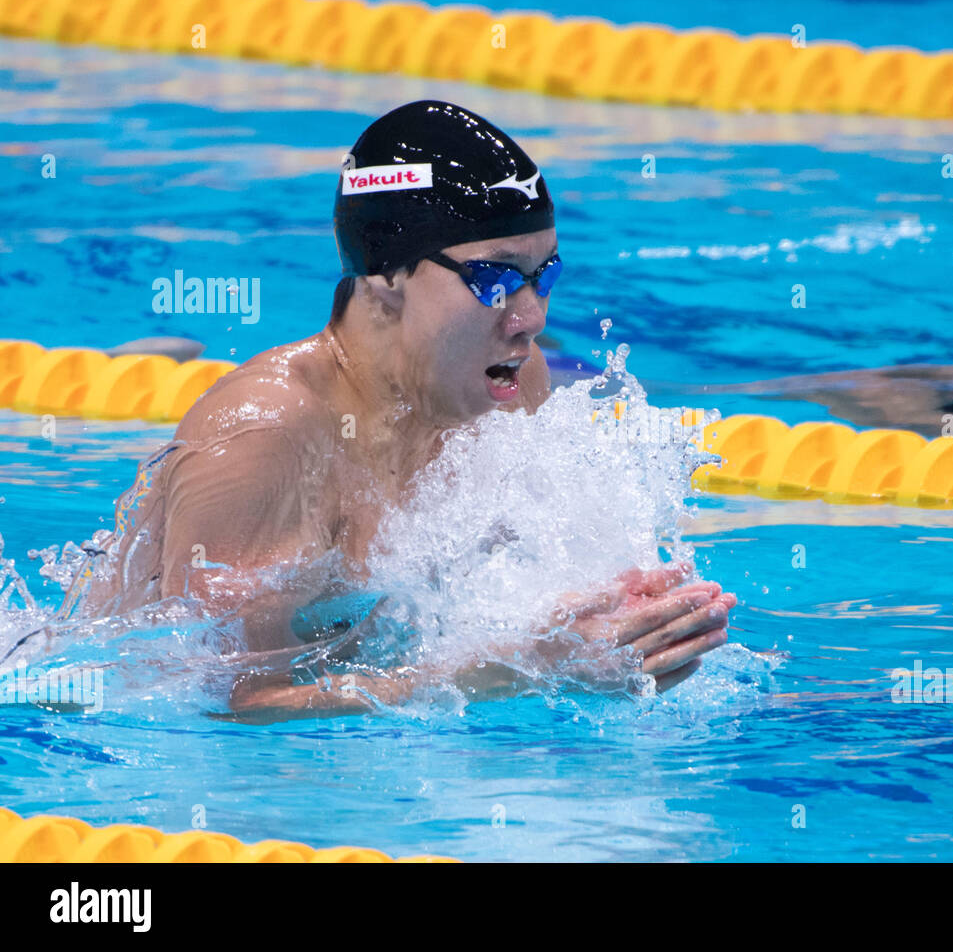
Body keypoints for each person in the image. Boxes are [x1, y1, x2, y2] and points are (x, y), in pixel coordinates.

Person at [62, 101, 736, 720]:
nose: (530, 317)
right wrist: (510, 671)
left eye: (543, 276)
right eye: (494, 279)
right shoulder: (266, 442)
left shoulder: (509, 385)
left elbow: (479, 611)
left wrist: (601, 629)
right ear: (386, 273)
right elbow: (219, 703)